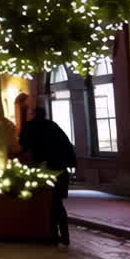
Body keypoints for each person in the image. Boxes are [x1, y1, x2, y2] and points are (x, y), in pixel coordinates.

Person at [19, 106, 78, 248]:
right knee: (56, 202)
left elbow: (22, 147)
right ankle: (63, 235)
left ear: (32, 114)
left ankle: (53, 235)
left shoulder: (31, 127)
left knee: (49, 202)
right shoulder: (53, 126)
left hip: (47, 169)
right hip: (61, 170)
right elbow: (67, 146)